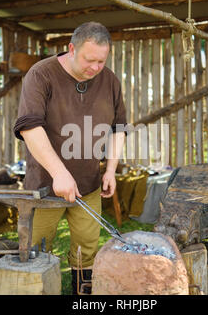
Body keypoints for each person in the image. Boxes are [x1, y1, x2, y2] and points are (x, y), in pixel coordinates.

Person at [13, 21, 127, 294]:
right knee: (38, 251)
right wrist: (58, 172)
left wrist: (110, 170)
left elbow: (119, 128)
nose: (96, 68)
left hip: (89, 185)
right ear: (71, 49)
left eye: (101, 61)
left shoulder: (109, 80)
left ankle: (82, 298)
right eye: (90, 60)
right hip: (44, 187)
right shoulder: (41, 74)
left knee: (86, 251)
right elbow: (29, 126)